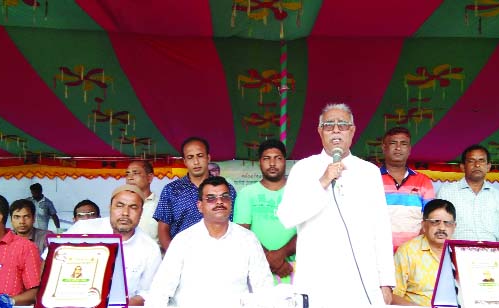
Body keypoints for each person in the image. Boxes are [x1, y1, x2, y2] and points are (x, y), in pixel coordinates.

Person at [276, 103, 395, 306]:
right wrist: (322, 181)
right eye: (329, 125)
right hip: (318, 279)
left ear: (352, 130)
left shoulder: (369, 172)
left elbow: (381, 228)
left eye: (343, 124)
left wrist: (386, 281)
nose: (336, 130)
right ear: (320, 131)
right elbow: (287, 217)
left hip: (361, 279)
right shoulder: (303, 168)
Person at [146, 176, 272, 307]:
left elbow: (264, 288)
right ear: (200, 206)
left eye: (224, 197)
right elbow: (160, 290)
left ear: (230, 202)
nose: (219, 202)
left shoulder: (248, 239)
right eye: (211, 198)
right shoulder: (183, 241)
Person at [61, 184, 162, 306]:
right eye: (119, 206)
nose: (125, 213)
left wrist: (120, 304)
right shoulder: (82, 229)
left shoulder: (149, 248)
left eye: (133, 207)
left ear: (141, 212)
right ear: (110, 208)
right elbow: (50, 260)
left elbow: (147, 292)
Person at [153, 137, 236, 251]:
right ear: (185, 161)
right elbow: (163, 229)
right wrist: (174, 256)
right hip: (183, 256)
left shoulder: (226, 189)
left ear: (208, 158)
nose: (196, 162)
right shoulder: (171, 190)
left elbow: (234, 224)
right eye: (190, 157)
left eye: (200, 156)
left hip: (220, 253)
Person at [234, 139, 296, 284]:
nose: (272, 164)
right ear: (259, 162)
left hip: (293, 268)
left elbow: (307, 230)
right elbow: (242, 234)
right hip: (257, 270)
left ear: (285, 161)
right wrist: (269, 259)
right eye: (267, 159)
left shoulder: (299, 193)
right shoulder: (247, 194)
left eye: (278, 158)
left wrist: (279, 255)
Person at [436, 144, 499, 242]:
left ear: (488, 167)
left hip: (491, 254)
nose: (477, 165)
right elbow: (438, 227)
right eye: (471, 161)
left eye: (481, 160)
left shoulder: (498, 196)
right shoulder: (447, 192)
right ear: (463, 167)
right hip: (456, 253)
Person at [392, 199, 457, 306]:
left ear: (454, 227)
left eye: (447, 223)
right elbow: (392, 296)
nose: (442, 227)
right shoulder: (407, 252)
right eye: (435, 222)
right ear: (424, 225)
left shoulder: (461, 252)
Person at [381, 126, 435, 246]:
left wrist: (414, 248)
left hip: (413, 253)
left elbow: (430, 218)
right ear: (384, 148)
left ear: (409, 149)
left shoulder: (423, 181)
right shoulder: (372, 179)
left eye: (403, 143)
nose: (398, 148)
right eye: (393, 143)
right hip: (378, 250)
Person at [126, 160, 158, 241]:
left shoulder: (161, 205)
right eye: (127, 174)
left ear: (149, 178)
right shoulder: (122, 205)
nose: (130, 178)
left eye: (135, 173)